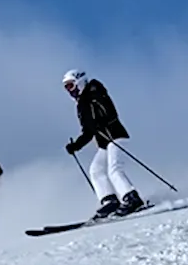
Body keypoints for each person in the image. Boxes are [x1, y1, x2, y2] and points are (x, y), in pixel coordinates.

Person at [62, 69, 144, 217]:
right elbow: (88, 131)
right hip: (104, 142)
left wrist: (100, 122)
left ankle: (132, 198)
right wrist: (76, 146)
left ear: (79, 82)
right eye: (66, 87)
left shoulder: (95, 91)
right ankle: (110, 201)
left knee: (114, 169)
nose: (69, 90)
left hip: (115, 136)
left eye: (71, 85)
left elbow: (109, 112)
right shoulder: (81, 104)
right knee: (96, 170)